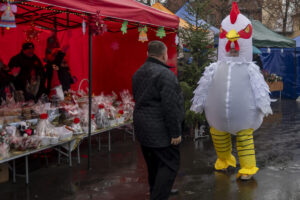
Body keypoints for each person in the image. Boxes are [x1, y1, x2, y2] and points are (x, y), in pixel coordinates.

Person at [132, 41, 185, 200]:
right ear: (164, 55)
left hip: (143, 129)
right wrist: (175, 132)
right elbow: (170, 106)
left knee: (153, 165)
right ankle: (159, 194)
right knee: (169, 165)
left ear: (148, 54)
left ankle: (158, 190)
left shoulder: (138, 72)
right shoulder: (165, 75)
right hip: (160, 130)